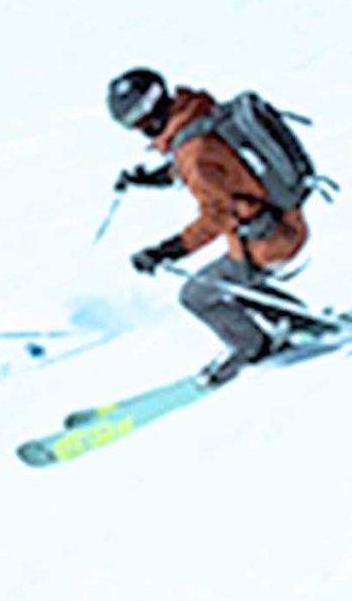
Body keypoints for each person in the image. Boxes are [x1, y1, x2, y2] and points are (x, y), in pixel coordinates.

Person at [105, 66, 312, 385]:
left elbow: (215, 215)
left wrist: (166, 251)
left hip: (267, 238)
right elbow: (217, 167)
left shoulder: (193, 151)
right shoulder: (197, 114)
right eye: (129, 122)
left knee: (197, 294)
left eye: (138, 119)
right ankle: (301, 323)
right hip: (281, 219)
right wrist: (150, 179)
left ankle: (253, 348)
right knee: (232, 282)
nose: (139, 129)